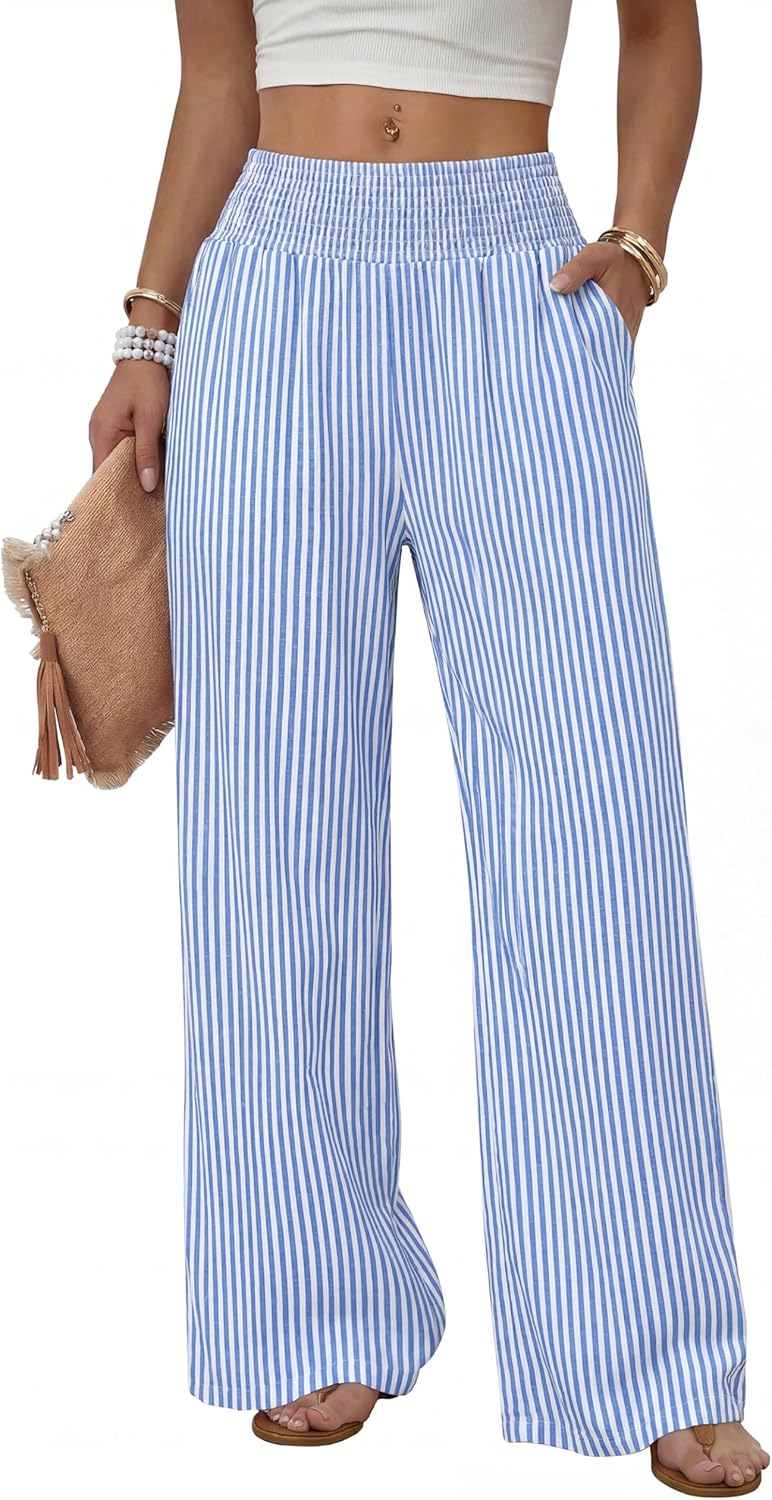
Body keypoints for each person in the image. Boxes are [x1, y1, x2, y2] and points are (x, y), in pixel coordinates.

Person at [88, 0, 768, 1490]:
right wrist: (150, 326)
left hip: (517, 273)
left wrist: (638, 252)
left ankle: (650, 1346)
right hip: (273, 279)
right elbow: (219, 75)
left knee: (595, 823)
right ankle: (310, 1303)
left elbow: (663, 27)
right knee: (271, 822)